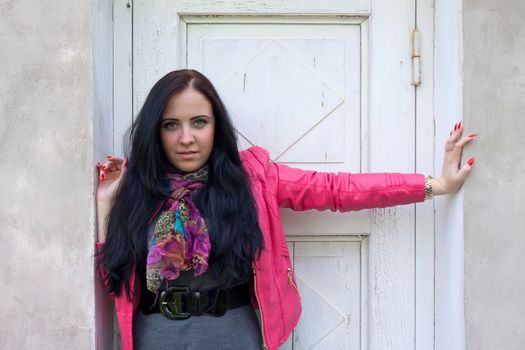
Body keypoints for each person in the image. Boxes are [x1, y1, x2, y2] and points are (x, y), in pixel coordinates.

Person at [95, 69, 476, 350]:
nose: (186, 138)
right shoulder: (138, 189)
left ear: (217, 127)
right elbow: (112, 275)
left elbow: (338, 191)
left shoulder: (254, 179)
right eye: (171, 124)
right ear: (155, 131)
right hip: (156, 339)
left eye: (199, 122)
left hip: (234, 336)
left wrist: (434, 185)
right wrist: (104, 204)